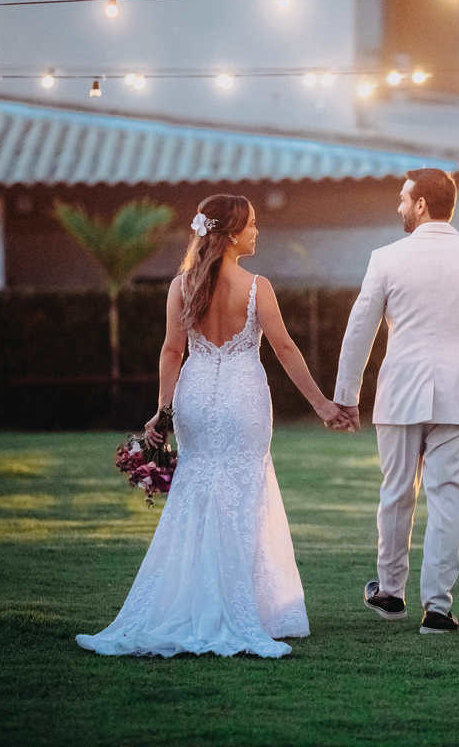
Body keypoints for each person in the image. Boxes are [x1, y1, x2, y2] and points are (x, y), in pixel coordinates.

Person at [76, 194, 349, 658]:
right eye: (252, 226)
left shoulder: (181, 286)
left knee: (196, 492)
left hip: (196, 396)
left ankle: (190, 603)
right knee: (244, 493)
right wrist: (322, 404)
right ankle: (241, 611)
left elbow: (170, 352)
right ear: (230, 234)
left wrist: (162, 410)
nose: (257, 232)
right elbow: (283, 349)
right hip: (243, 396)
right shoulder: (257, 286)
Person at [332, 168, 459, 635]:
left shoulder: (386, 258)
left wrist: (346, 397)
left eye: (403, 199)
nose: (399, 206)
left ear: (420, 205)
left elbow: (360, 330)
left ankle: (391, 592)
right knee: (446, 495)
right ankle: (437, 609)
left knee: (397, 491)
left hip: (400, 392)